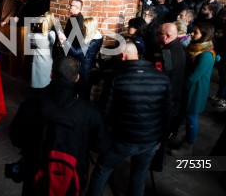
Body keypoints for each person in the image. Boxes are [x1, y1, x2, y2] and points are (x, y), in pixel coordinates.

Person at [10, 56, 110, 196]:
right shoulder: (90, 112)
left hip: (34, 178)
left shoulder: (31, 104)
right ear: (77, 78)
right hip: (72, 179)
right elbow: (101, 145)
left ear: (51, 75)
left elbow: (16, 138)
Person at [88, 42, 171, 196]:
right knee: (139, 176)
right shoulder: (162, 78)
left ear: (122, 55)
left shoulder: (116, 77)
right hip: (151, 139)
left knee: (102, 169)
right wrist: (161, 138)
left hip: (123, 139)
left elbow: (104, 111)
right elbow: (167, 111)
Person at [171, 22, 216, 156]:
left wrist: (177, 84)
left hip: (195, 90)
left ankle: (189, 145)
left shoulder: (205, 54)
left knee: (191, 117)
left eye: (196, 32)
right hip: (189, 88)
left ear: (204, 35)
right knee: (186, 114)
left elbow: (193, 77)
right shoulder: (195, 47)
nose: (191, 33)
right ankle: (180, 134)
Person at [63, 17, 103, 100]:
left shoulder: (92, 42)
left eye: (84, 27)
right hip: (86, 67)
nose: (82, 28)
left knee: (83, 93)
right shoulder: (96, 37)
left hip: (85, 70)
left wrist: (64, 40)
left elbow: (76, 52)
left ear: (89, 28)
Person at [30, 12, 56, 89]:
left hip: (38, 61)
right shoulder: (52, 34)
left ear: (39, 26)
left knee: (38, 81)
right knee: (47, 81)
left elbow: (32, 45)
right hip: (48, 60)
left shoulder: (36, 36)